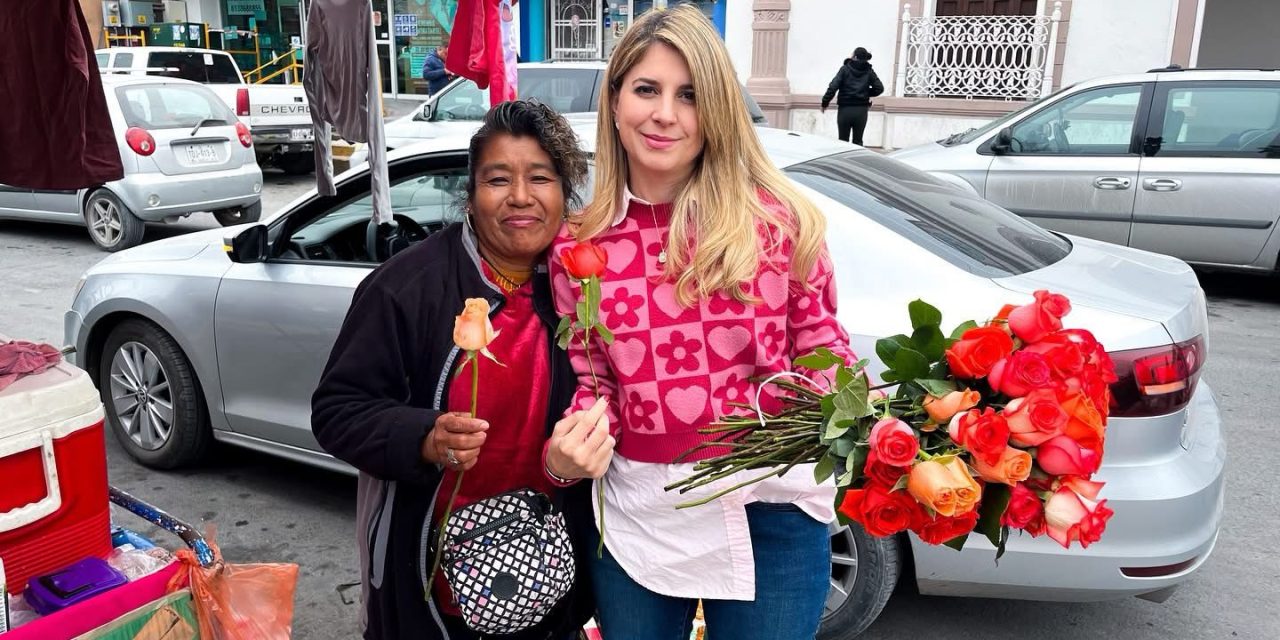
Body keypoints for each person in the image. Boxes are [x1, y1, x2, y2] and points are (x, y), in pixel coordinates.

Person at [548, 6, 856, 640]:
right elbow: (595, 380)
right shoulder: (580, 250)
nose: (665, 114)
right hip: (641, 513)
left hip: (771, 508)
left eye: (689, 95)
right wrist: (571, 446)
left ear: (715, 110)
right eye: (646, 89)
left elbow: (827, 355)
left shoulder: (779, 225)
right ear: (613, 102)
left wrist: (838, 419)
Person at [313, 101, 610, 640]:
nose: (520, 196)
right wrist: (424, 437)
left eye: (540, 178)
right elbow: (336, 411)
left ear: (564, 194)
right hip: (435, 579)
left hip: (551, 570)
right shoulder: (407, 287)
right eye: (498, 179)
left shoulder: (581, 286)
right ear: (470, 196)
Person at [821, 46, 884, 145]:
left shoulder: (844, 69)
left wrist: (825, 103)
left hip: (845, 110)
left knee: (843, 142)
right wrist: (866, 92)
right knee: (858, 141)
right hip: (861, 111)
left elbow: (833, 87)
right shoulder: (869, 71)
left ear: (855, 57)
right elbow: (879, 88)